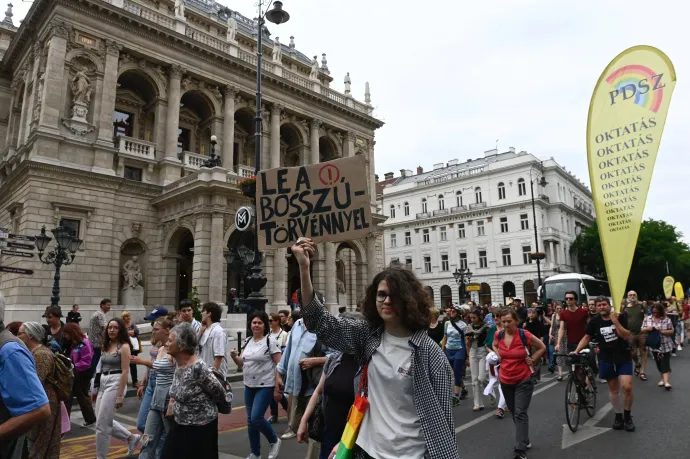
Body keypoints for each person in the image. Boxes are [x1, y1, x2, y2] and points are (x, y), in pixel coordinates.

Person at [292, 238, 458, 459]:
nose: (386, 301)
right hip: (367, 452)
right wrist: (304, 267)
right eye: (381, 294)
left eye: (394, 295)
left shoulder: (430, 354)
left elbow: (443, 421)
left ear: (409, 300)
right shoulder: (367, 337)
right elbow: (318, 322)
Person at [297, 311, 365, 459]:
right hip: (329, 431)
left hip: (354, 436)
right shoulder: (334, 359)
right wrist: (303, 421)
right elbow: (318, 391)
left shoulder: (367, 364)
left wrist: (345, 441)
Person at [161, 323, 227, 459]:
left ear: (182, 346)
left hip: (201, 428)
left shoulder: (198, 367)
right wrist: (172, 403)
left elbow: (220, 393)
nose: (166, 343)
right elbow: (177, 389)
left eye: (170, 341)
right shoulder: (179, 363)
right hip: (180, 423)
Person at [572, 296, 634, 431]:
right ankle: (618, 416)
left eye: (604, 304)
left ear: (609, 305)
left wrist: (615, 321)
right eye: (599, 305)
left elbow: (626, 335)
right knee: (614, 389)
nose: (601, 307)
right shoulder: (594, 321)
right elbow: (587, 337)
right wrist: (576, 350)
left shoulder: (620, 316)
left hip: (623, 356)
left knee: (627, 387)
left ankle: (627, 416)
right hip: (606, 358)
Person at [492, 309, 546, 459]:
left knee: (520, 412)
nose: (507, 324)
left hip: (523, 379)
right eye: (504, 322)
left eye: (510, 321)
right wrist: (498, 355)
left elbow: (542, 346)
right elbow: (494, 345)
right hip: (505, 379)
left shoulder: (524, 334)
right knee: (515, 412)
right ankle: (525, 439)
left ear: (516, 321)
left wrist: (533, 358)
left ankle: (520, 449)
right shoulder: (499, 334)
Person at [230, 312, 283, 459]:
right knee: (250, 421)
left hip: (265, 384)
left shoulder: (270, 341)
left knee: (256, 418)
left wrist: (278, 382)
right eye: (254, 322)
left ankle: (274, 440)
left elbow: (280, 363)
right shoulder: (247, 341)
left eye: (259, 323)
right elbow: (241, 362)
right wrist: (235, 357)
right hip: (249, 384)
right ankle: (255, 453)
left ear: (265, 325)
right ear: (250, 325)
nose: (256, 325)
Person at [92, 318, 141, 459]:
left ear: (120, 330)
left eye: (115, 327)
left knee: (102, 425)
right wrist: (95, 388)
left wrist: (120, 395)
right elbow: (99, 368)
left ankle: (100, 457)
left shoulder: (124, 346)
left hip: (116, 381)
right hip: (103, 381)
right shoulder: (105, 345)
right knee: (102, 420)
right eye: (109, 328)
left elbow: (126, 371)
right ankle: (131, 438)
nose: (112, 330)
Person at [16, 322, 62, 458]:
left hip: (43, 404)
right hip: (40, 403)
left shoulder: (41, 354)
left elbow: (36, 383)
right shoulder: (34, 352)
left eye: (20, 333)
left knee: (39, 444)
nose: (17, 336)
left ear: (30, 335)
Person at [136, 317, 175, 459]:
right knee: (146, 436)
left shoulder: (173, 351)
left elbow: (178, 375)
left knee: (170, 438)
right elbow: (154, 369)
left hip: (167, 398)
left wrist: (172, 400)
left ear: (167, 331)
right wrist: (143, 383)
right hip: (156, 398)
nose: (152, 332)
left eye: (156, 329)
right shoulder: (160, 349)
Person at [62, 322, 96, 426]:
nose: (65, 336)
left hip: (82, 374)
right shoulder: (75, 343)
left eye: (66, 334)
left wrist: (73, 366)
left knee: (82, 395)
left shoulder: (84, 343)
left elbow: (86, 360)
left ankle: (90, 418)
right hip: (76, 373)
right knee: (73, 396)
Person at [641, 303, 675, 390]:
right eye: (653, 312)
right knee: (659, 363)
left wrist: (662, 331)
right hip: (654, 345)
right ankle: (663, 379)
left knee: (665, 362)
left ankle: (667, 382)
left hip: (665, 344)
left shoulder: (666, 319)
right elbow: (641, 330)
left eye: (656, 312)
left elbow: (671, 331)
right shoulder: (647, 319)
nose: (655, 313)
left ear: (660, 311)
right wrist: (647, 329)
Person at [441, 303, 468, 404]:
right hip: (449, 350)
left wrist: (467, 355)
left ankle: (456, 396)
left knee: (457, 372)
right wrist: (442, 351)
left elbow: (465, 340)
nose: (451, 313)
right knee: (456, 373)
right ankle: (464, 388)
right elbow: (445, 337)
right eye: (450, 311)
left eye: (453, 311)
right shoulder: (447, 323)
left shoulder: (463, 325)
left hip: (459, 350)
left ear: (458, 313)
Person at [484, 308, 507, 418]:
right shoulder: (492, 329)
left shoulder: (508, 329)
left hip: (508, 359)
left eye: (498, 316)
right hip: (496, 361)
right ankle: (501, 407)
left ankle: (503, 405)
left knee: (505, 384)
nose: (496, 319)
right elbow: (487, 345)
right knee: (501, 384)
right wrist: (494, 354)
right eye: (494, 317)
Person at [466, 308, 490, 411]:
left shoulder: (486, 327)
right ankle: (477, 404)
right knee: (474, 380)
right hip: (472, 351)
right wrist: (467, 354)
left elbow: (489, 341)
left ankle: (490, 392)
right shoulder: (469, 327)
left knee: (482, 378)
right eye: (470, 318)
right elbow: (467, 343)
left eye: (474, 317)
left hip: (483, 351)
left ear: (479, 316)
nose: (472, 320)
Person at [622, 291, 648, 381]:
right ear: (628, 297)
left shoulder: (641, 306)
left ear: (636, 296)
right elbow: (623, 320)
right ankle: (637, 364)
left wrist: (645, 328)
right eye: (630, 295)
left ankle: (643, 372)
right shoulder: (625, 308)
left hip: (642, 332)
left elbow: (646, 318)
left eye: (634, 295)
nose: (632, 296)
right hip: (630, 333)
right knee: (632, 353)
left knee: (643, 351)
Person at [267, 313, 289, 424]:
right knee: (272, 391)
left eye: (271, 321)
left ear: (276, 321)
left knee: (278, 391)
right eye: (269, 321)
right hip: (269, 366)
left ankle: (288, 410)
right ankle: (274, 414)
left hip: (279, 365)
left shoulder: (284, 334)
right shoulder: (268, 334)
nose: (269, 323)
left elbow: (285, 351)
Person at [198, 302, 228, 377]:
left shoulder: (218, 331)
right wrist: (200, 331)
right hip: (205, 374)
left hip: (214, 377)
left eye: (203, 311)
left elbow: (218, 356)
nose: (201, 313)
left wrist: (212, 377)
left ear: (209, 314)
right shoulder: (204, 330)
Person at [556, 291, 589, 356]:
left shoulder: (584, 312)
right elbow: (561, 329)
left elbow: (589, 326)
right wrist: (558, 343)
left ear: (575, 300)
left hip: (584, 341)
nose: (568, 300)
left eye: (571, 298)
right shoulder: (563, 313)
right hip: (571, 342)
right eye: (566, 298)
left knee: (585, 361)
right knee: (573, 362)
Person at [89, 299, 111, 374]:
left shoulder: (97, 313)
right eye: (108, 305)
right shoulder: (100, 314)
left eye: (110, 305)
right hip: (96, 343)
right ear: (102, 305)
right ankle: (92, 377)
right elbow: (106, 327)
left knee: (93, 360)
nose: (109, 307)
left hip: (93, 342)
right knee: (95, 362)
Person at [523, 308, 544, 382]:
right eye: (529, 313)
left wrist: (540, 344)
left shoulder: (538, 323)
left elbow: (541, 334)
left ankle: (535, 377)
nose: (531, 314)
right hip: (527, 344)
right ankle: (530, 375)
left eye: (533, 313)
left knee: (535, 360)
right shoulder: (525, 323)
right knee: (528, 360)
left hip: (535, 343)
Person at [122, 311, 141, 387]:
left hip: (133, 348)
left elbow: (136, 332)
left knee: (133, 364)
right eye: (126, 316)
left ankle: (135, 381)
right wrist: (129, 332)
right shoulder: (121, 325)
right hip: (124, 347)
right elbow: (121, 333)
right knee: (124, 365)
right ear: (123, 317)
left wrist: (127, 332)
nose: (128, 318)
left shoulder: (132, 324)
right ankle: (124, 381)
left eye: (129, 316)